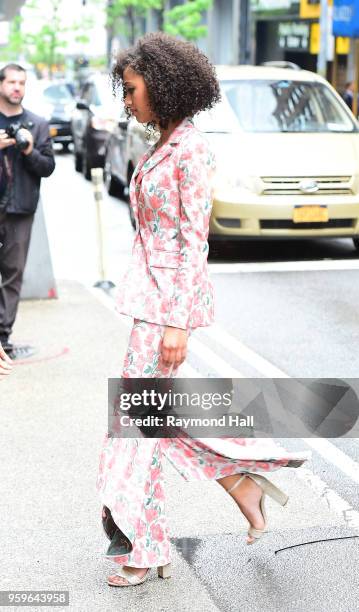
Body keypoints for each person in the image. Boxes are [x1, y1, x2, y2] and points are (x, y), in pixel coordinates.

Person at [96, 32, 311, 588]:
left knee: (136, 427)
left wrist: (177, 321)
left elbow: (194, 241)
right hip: (149, 302)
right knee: (156, 418)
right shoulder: (163, 142)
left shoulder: (190, 148)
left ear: (163, 87)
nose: (128, 99)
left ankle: (145, 546)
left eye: (133, 89)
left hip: (165, 308)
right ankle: (245, 487)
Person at [0, 63, 56, 359]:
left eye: (22, 82)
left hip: (20, 208)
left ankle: (3, 337)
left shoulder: (37, 123)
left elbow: (47, 168)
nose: (17, 88)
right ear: (1, 85)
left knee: (12, 273)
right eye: (11, 82)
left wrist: (28, 150)